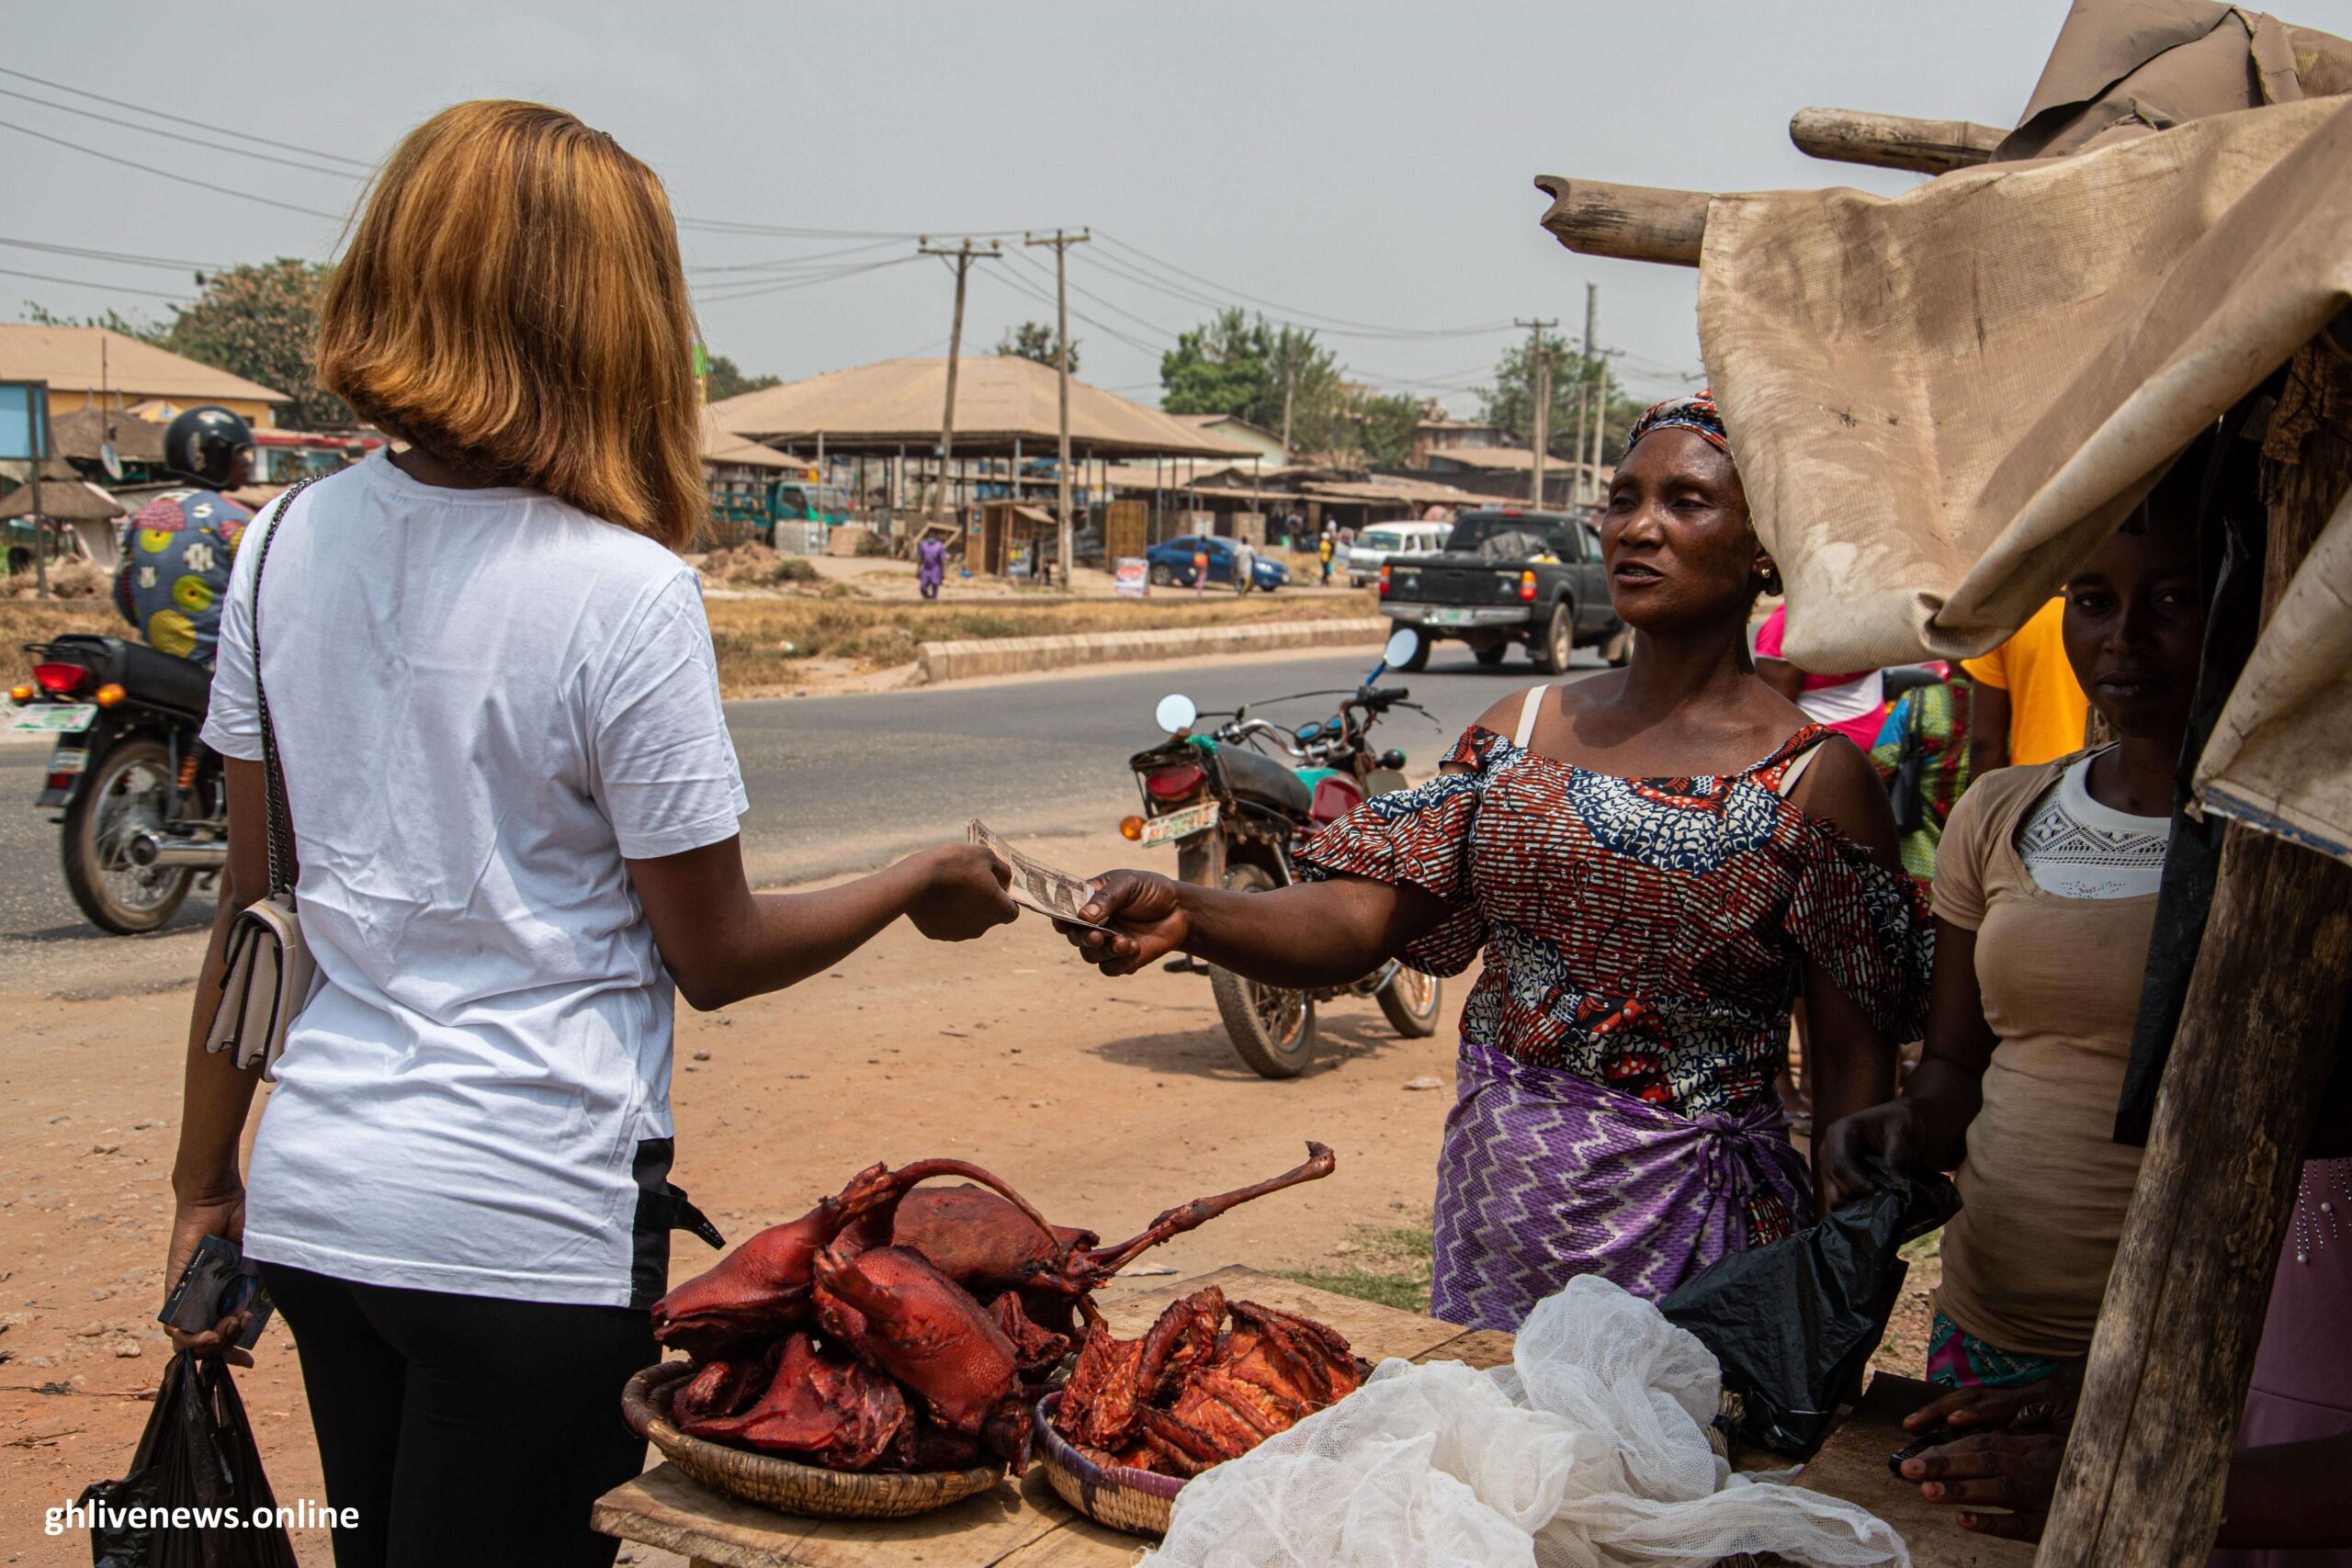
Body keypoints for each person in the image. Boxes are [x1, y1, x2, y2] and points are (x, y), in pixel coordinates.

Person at [164, 101, 1016, 1568]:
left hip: (320, 1208)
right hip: (523, 1231)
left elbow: (254, 911)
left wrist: (204, 1185)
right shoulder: (621, 591)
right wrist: (919, 878)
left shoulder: (284, 540)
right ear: (609, 322)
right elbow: (719, 951)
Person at [1063, 392, 1930, 1329]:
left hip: (1694, 1239)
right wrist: (1193, 912)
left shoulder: (1813, 779)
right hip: (1499, 1209)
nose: (1638, 527)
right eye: (1622, 498)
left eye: (1686, 502)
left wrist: (1837, 1288)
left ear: (1764, 543)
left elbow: (1851, 1064)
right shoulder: (1520, 732)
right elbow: (1358, 923)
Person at [1824, 488, 2205, 1399]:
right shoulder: (2001, 814)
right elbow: (1957, 1065)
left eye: (2170, 600)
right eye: (2092, 600)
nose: (2124, 637)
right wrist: (1906, 1125)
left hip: (2180, 1343)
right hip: (1988, 1322)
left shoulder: (2278, 849)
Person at [112, 406, 257, 664]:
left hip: (157, 665)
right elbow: (269, 603)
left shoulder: (140, 517)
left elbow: (123, 597)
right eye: (240, 453)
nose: (247, 462)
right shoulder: (237, 521)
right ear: (214, 457)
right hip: (224, 667)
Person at [1964, 595, 2090, 774]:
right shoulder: (2125, 610)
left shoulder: (2009, 613)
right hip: (2110, 786)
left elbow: (1986, 743)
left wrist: (1987, 800)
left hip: (2035, 785)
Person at [1753, 602, 1887, 751]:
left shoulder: (1868, 612)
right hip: (1824, 759)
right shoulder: (1785, 626)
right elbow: (1774, 717)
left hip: (1878, 755)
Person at [917, 531, 945, 599]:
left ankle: (933, 601)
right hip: (926, 569)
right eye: (930, 536)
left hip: (935, 569)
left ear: (936, 537)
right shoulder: (924, 545)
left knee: (934, 585)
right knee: (923, 587)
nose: (931, 538)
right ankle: (927, 597)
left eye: (933, 536)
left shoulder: (939, 546)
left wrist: (942, 573)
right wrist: (918, 570)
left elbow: (942, 561)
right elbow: (921, 558)